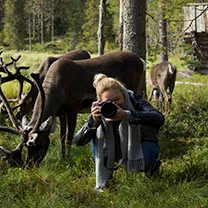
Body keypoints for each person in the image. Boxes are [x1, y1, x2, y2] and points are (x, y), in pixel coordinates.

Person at [74, 73, 165, 192]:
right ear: (100, 101)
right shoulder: (101, 111)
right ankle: (106, 179)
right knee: (95, 135)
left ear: (123, 94)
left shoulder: (134, 99)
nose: (115, 105)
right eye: (109, 102)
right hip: (115, 148)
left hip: (141, 144)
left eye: (118, 99)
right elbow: (78, 141)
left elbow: (159, 118)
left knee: (146, 162)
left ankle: (150, 167)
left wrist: (129, 115)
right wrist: (94, 122)